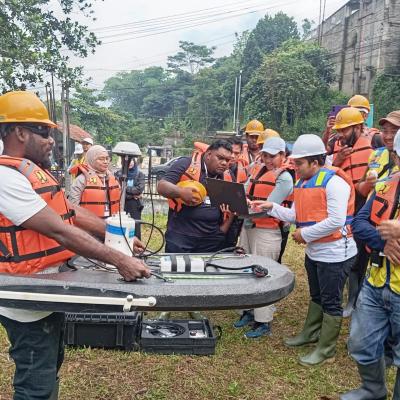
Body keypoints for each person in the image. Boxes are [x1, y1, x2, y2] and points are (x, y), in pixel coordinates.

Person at [0, 90, 150, 400]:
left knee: (50, 364)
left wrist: (118, 235)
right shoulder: (5, 177)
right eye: (44, 132)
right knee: (35, 383)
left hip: (44, 289)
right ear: (19, 132)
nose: (51, 140)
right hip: (24, 299)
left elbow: (70, 211)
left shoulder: (28, 170)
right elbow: (60, 230)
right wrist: (118, 259)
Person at [251, 134, 357, 366]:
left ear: (315, 163)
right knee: (317, 295)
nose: (295, 167)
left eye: (299, 163)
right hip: (315, 252)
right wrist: (272, 207)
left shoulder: (334, 183)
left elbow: (336, 221)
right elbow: (296, 215)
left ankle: (326, 350)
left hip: (336, 253)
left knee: (331, 300)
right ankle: (310, 333)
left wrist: (304, 234)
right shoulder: (303, 183)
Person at [341, 130, 400, 400]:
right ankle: (373, 389)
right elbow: (359, 224)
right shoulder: (386, 185)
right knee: (361, 342)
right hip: (376, 282)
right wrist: (383, 240)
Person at [234, 137, 294, 338]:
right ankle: (248, 312)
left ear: (282, 156)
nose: (267, 160)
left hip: (266, 231)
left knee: (263, 274)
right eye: (265, 155)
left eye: (272, 156)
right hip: (248, 227)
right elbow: (242, 192)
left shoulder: (285, 178)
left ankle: (263, 321)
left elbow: (269, 206)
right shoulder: (256, 171)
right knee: (244, 271)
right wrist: (235, 202)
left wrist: (244, 207)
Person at [157, 139, 234, 253]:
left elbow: (234, 206)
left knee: (207, 270)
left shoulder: (228, 175)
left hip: (212, 240)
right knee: (177, 270)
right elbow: (161, 186)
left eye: (227, 160)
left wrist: (222, 230)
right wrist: (180, 192)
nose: (224, 163)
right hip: (181, 237)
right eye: (220, 158)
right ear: (208, 155)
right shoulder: (186, 164)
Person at [69, 145, 120, 219]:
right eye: (101, 159)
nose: (105, 162)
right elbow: (73, 206)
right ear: (92, 159)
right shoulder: (81, 179)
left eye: (107, 158)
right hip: (90, 223)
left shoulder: (112, 177)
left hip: (111, 222)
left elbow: (119, 202)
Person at [115, 158, 146, 239]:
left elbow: (139, 189)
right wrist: (132, 194)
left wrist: (125, 188)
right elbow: (117, 188)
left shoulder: (140, 174)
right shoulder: (118, 174)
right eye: (128, 161)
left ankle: (137, 245)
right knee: (120, 222)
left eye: (132, 160)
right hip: (121, 202)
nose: (130, 163)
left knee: (136, 224)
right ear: (123, 162)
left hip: (134, 203)